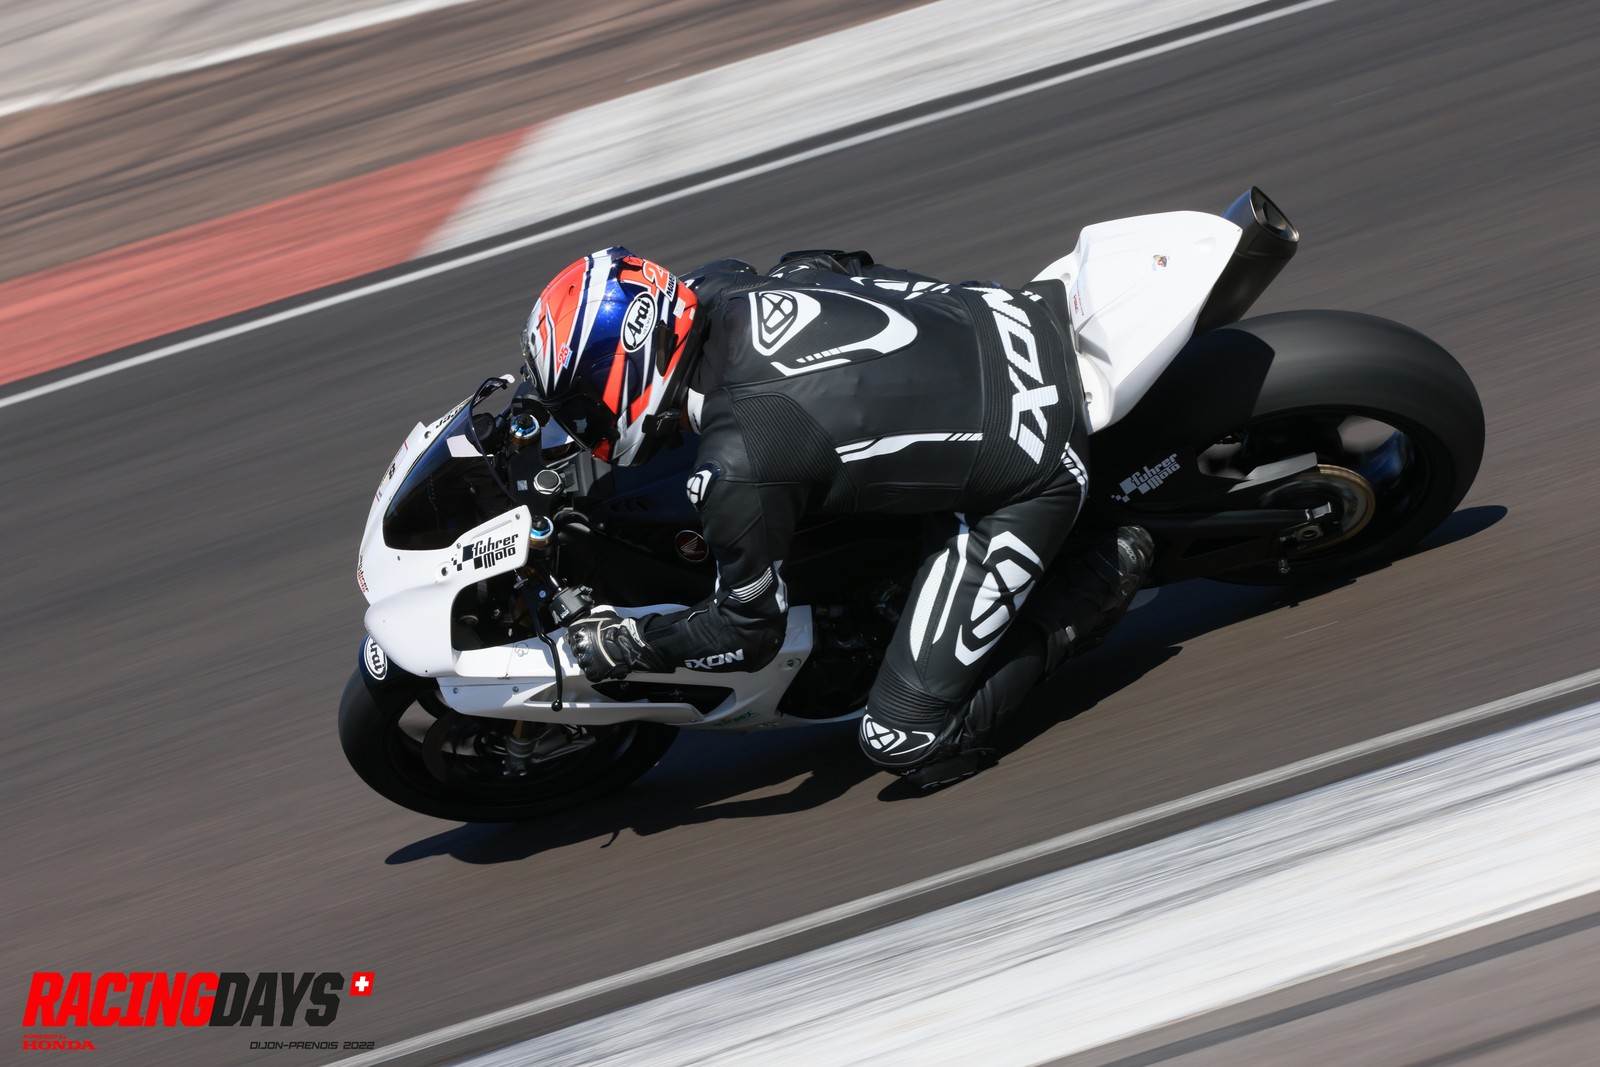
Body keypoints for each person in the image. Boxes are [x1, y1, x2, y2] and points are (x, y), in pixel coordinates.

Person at [526, 246, 1151, 789]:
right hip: (1015, 313)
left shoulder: (739, 462)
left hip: (1036, 458)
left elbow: (748, 631)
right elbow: (834, 262)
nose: (582, 423)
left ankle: (1098, 576)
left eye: (582, 403)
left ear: (628, 365)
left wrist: (631, 643)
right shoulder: (719, 288)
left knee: (903, 739)